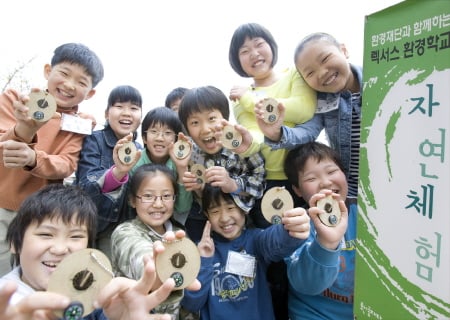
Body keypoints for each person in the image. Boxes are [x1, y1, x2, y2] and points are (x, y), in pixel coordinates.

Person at [0, 183, 195, 320]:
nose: (60, 249)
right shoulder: (7, 304)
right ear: (15, 243)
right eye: (45, 234)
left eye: (75, 237)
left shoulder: (101, 303)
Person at [228, 23, 316, 319]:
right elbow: (254, 141)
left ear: (272, 46)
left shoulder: (293, 75)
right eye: (244, 51)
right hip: (264, 188)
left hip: (303, 181)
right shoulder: (239, 100)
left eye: (258, 44)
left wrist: (252, 100)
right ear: (237, 60)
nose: (254, 53)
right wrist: (245, 143)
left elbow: (303, 109)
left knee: (310, 250)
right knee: (274, 263)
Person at [0, 42, 104, 276]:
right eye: (64, 74)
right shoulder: (16, 100)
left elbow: (66, 164)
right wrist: (24, 129)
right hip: (2, 205)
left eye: (81, 82)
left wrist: (33, 158)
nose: (69, 85)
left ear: (90, 93)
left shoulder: (81, 123)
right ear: (48, 71)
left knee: (33, 280)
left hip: (41, 215)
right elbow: (4, 147)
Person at [181, 184, 311, 320]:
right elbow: (192, 304)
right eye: (215, 211)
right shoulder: (199, 251)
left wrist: (291, 228)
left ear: (245, 209)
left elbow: (276, 240)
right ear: (207, 215)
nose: (224, 218)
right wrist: (205, 261)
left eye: (231, 208)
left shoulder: (256, 240)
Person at [259, 32, 362, 199]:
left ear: (343, 50)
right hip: (348, 193)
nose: (322, 73)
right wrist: (277, 134)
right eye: (310, 73)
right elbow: (307, 131)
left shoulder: (381, 79)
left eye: (325, 59)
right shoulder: (322, 100)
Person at [178, 85, 266, 243]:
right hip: (208, 227)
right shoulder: (190, 154)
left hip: (247, 225)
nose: (205, 129)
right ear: (187, 129)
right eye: (195, 122)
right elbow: (195, 199)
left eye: (211, 119)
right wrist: (198, 189)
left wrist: (233, 184)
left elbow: (259, 184)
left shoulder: (241, 144)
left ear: (225, 118)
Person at [283, 141, 355, 319]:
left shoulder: (369, 214)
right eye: (311, 178)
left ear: (344, 174)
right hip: (314, 314)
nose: (325, 182)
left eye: (331, 172)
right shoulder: (295, 225)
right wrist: (326, 243)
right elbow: (307, 285)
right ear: (298, 190)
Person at [73, 85, 143, 259]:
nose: (126, 113)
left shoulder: (140, 150)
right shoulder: (94, 140)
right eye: (119, 106)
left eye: (134, 108)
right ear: (106, 113)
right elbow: (86, 187)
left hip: (123, 229)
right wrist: (118, 172)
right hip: (88, 223)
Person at [110, 164, 188, 319]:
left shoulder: (179, 233)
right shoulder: (125, 233)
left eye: (166, 196)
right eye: (148, 196)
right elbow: (144, 263)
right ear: (132, 200)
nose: (158, 204)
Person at [129, 106, 192, 225]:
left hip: (172, 222)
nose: (160, 138)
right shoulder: (135, 162)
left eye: (168, 133)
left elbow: (183, 207)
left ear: (176, 139)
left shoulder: (180, 162)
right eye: (153, 131)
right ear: (144, 138)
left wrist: (182, 168)